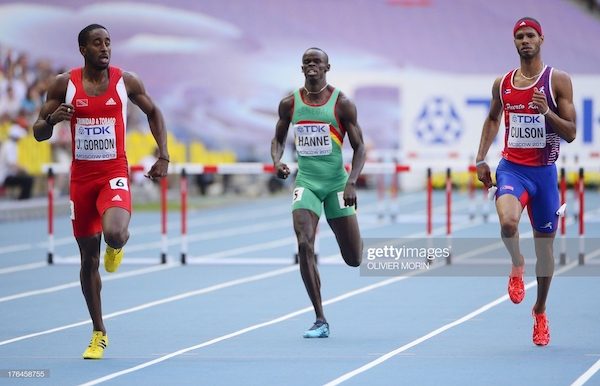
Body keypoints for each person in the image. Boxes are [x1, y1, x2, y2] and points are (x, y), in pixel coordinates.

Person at [33, 24, 170, 359]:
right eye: (97, 43)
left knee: (115, 234)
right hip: (81, 179)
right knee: (87, 259)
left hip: (113, 172)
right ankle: (98, 331)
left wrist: (163, 154)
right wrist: (52, 121)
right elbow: (37, 132)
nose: (105, 48)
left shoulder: (126, 81)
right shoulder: (64, 84)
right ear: (83, 49)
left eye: (108, 43)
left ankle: (116, 247)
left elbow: (153, 112)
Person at [475, 17, 576, 346]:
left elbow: (572, 133)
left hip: (544, 175)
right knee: (507, 222)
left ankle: (540, 311)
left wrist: (547, 113)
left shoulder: (557, 81)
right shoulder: (503, 83)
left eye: (530, 35)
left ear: (541, 39)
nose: (525, 40)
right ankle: (517, 262)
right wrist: (480, 159)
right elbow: (492, 119)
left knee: (545, 253)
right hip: (511, 169)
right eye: (519, 36)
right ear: (515, 42)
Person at [271, 48, 366, 338]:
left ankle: (350, 234)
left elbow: (360, 146)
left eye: (317, 62)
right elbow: (278, 138)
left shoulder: (342, 104)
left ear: (327, 67)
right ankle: (320, 318)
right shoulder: (290, 104)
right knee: (304, 243)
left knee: (353, 258)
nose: (312, 65)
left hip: (337, 184)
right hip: (307, 183)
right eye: (307, 62)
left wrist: (351, 181)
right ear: (302, 69)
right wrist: (277, 161)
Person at [0, 122, 33, 199]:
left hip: (9, 174)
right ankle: (23, 200)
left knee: (26, 179)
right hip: (5, 176)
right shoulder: (10, 146)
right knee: (28, 180)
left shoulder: (10, 145)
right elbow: (11, 163)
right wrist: (23, 168)